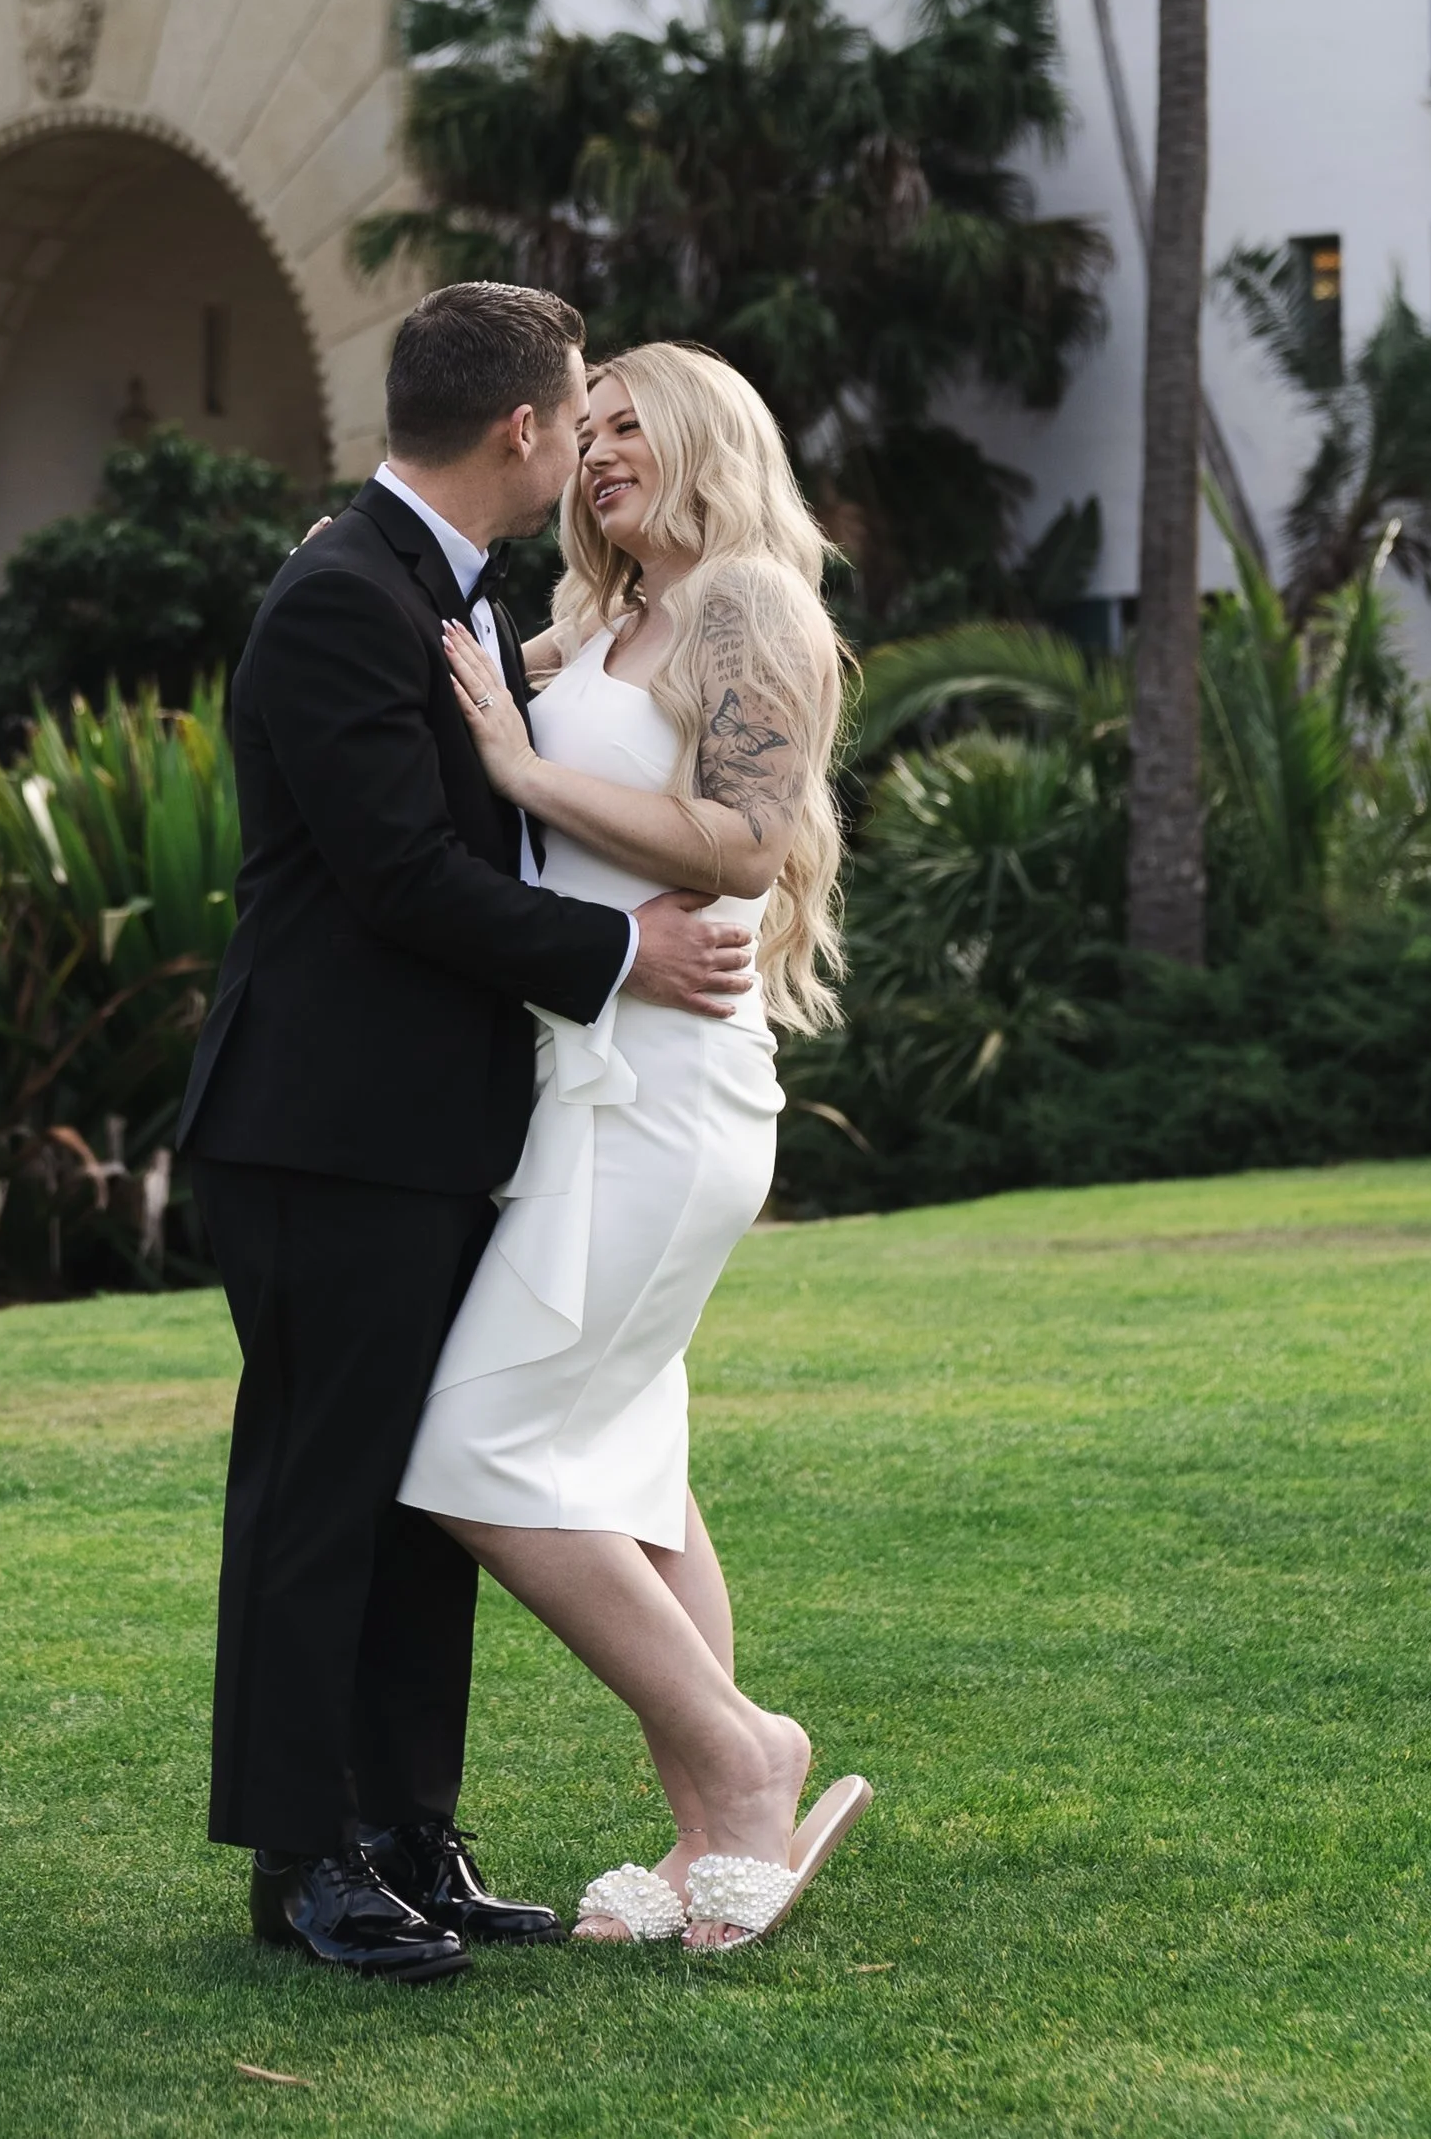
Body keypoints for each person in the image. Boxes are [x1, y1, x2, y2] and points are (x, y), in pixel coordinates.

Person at [176, 284, 756, 1984]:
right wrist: (618, 951)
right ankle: (304, 1864)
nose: (586, 441)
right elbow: (399, 880)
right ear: (521, 429)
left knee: (427, 1496)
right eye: (579, 414)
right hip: (320, 1130)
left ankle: (411, 1832)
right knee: (319, 1492)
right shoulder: (339, 598)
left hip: (437, 1129)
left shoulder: (460, 590)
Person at [400, 341, 871, 1955]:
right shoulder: (604, 621)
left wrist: (522, 762)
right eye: (583, 428)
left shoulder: (749, 604)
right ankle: (702, 1827)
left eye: (625, 425)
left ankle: (749, 1761)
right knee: (636, 1468)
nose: (595, 450)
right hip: (583, 1076)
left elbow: (744, 838)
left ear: (701, 437)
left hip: (672, 1088)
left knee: (474, 1448)